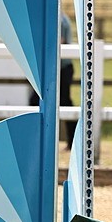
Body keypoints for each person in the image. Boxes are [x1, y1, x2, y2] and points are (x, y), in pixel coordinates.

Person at [29, 11, 75, 149]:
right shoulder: (61, 18)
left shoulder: (57, 19)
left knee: (63, 102)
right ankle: (70, 141)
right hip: (59, 67)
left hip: (59, 67)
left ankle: (37, 140)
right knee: (64, 102)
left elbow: (57, 39)